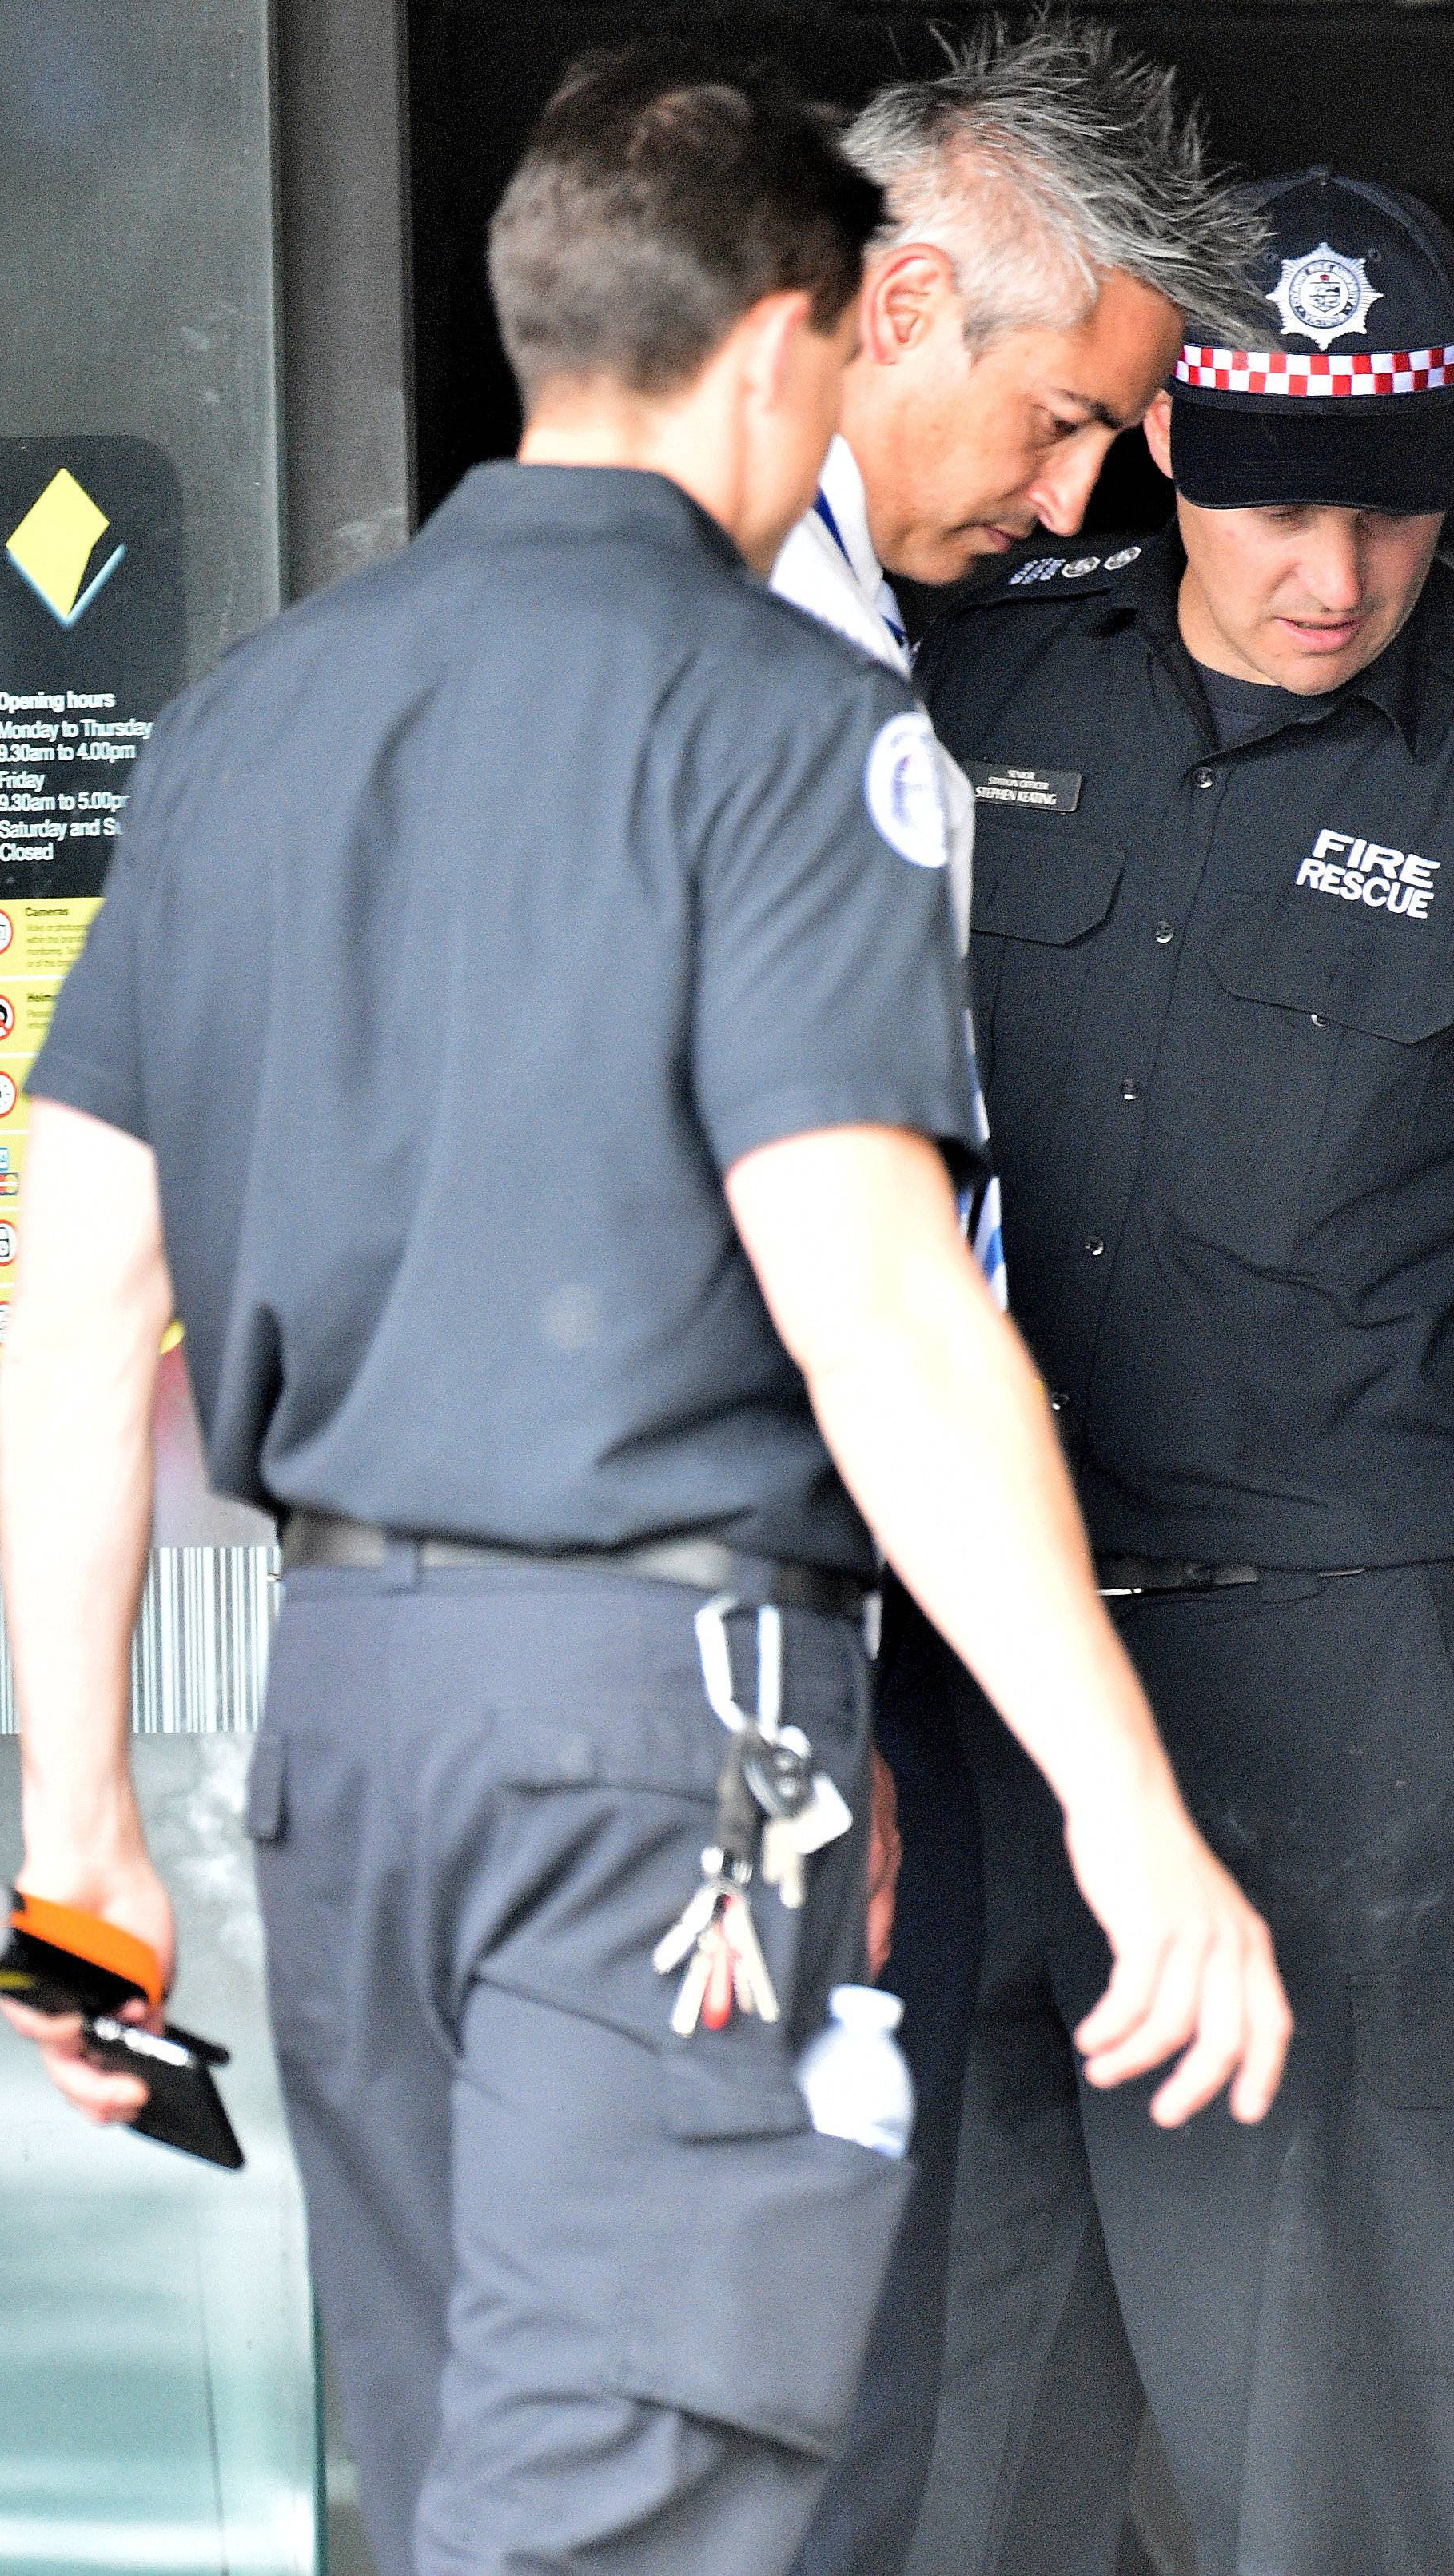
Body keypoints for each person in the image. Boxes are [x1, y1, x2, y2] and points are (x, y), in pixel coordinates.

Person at [0, 58, 1288, 2576]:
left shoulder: (248, 719)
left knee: (483, 2481)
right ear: (788, 345)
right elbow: (883, 1315)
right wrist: (1135, 1822)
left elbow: (79, 1311)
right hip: (664, 1745)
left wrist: (77, 1848)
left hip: (348, 1744)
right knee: (644, 2526)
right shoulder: (791, 726)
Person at [910, 168, 1454, 2576]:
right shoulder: (986, 672)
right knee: (954, 2431)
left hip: (1324, 1706)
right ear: (1158, 460)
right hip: (980, 1683)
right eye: (1267, 508)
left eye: (1385, 518)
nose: (1327, 575)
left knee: (1308, 2464)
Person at [770, 27, 1265, 2574]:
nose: (1083, 504)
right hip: (756, 1697)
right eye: (1069, 424)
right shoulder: (737, 676)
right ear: (905, 298)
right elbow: (830, 1298)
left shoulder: (861, 643)